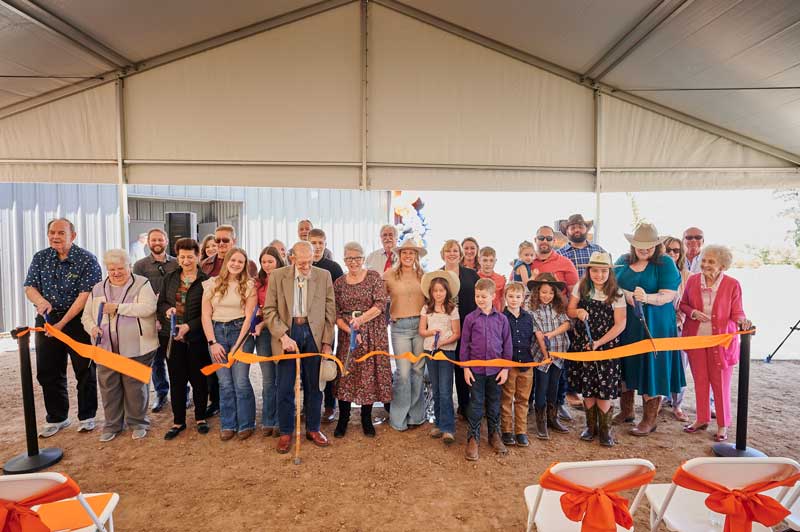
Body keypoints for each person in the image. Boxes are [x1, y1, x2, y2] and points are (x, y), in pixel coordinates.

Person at [24, 218, 101, 438]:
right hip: (47, 320)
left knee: (84, 369)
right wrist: (40, 301)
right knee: (48, 370)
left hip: (76, 320)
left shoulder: (87, 259)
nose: (55, 237)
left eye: (60, 233)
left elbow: (85, 295)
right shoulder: (40, 258)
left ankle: (87, 416)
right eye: (51, 232)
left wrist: (62, 323)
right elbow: (29, 286)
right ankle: (57, 417)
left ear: (73, 236)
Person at [264, 241, 336, 453]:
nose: (306, 267)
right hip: (288, 332)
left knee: (314, 385)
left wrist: (326, 342)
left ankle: (313, 429)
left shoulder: (323, 275)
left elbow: (330, 310)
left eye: (310, 262)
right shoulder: (278, 276)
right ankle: (286, 431)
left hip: (314, 333)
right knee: (285, 386)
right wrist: (282, 336)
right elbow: (269, 310)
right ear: (292, 259)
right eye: (302, 263)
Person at [614, 223, 685, 437]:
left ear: (657, 245)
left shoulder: (665, 264)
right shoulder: (622, 262)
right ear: (632, 245)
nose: (644, 249)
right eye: (639, 245)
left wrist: (647, 298)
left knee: (651, 367)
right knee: (625, 364)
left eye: (649, 246)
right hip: (626, 323)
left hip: (656, 323)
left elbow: (668, 294)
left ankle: (649, 419)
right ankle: (626, 411)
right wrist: (625, 294)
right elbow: (609, 284)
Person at [82, 249, 158, 442]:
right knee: (109, 386)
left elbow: (148, 308)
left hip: (137, 346)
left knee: (135, 387)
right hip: (105, 348)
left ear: (129, 266)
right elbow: (87, 317)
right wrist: (92, 328)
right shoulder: (98, 288)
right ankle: (112, 425)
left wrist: (117, 308)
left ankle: (138, 422)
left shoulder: (142, 283)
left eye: (120, 268)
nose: (116, 273)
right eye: (111, 269)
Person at [680, 245, 750, 442]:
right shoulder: (693, 281)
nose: (705, 265)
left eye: (711, 261)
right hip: (696, 339)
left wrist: (742, 321)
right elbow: (683, 304)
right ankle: (701, 419)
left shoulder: (732, 284)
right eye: (704, 260)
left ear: (722, 265)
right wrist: (693, 313)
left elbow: (737, 312)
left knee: (720, 384)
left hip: (721, 342)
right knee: (700, 380)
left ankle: (722, 424)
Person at [333, 242, 392, 438]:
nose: (354, 262)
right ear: (344, 260)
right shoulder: (339, 283)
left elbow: (380, 303)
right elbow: (336, 314)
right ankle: (343, 418)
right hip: (348, 334)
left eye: (357, 258)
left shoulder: (374, 277)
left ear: (363, 258)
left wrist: (360, 320)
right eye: (349, 258)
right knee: (346, 374)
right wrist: (349, 329)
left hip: (372, 332)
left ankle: (367, 419)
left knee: (369, 374)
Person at [567, 252, 626, 447]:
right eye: (595, 270)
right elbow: (570, 310)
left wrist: (599, 342)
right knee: (588, 386)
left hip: (606, 347)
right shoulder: (581, 287)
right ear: (589, 271)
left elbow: (620, 324)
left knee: (605, 387)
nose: (599, 275)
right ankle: (590, 427)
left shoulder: (616, 293)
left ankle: (605, 430)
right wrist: (578, 312)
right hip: (584, 344)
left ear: (609, 272)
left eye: (603, 271)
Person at [157, 238, 211, 440]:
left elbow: (208, 313)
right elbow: (161, 303)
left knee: (199, 380)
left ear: (198, 257)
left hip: (197, 338)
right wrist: (167, 311)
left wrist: (189, 326)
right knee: (177, 380)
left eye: (190, 256)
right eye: (182, 257)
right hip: (173, 338)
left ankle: (200, 418)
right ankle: (178, 421)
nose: (186, 260)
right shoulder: (170, 278)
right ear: (177, 258)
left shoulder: (206, 281)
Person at [201, 248, 257, 441]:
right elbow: (205, 315)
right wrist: (212, 343)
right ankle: (228, 424)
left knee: (240, 381)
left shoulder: (250, 286)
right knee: (225, 383)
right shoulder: (211, 284)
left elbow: (250, 317)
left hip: (241, 331)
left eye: (240, 262)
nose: (235, 264)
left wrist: (238, 345)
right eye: (233, 260)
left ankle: (246, 423)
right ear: (227, 261)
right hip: (217, 333)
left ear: (244, 265)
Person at [460, 278, 512, 461]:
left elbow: (507, 345)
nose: (480, 299)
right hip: (476, 371)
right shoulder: (470, 319)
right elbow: (464, 345)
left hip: (496, 372)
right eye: (477, 296)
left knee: (494, 402)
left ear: (493, 295)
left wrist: (505, 368)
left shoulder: (502, 319)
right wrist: (466, 368)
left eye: (483, 296)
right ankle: (473, 438)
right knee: (475, 404)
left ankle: (494, 435)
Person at [532, 225, 579, 421]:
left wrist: (570, 318)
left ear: (554, 241)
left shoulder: (565, 262)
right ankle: (536, 408)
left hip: (559, 320)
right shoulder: (526, 261)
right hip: (537, 322)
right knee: (538, 370)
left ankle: (558, 405)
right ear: (536, 240)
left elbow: (574, 291)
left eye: (548, 238)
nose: (545, 241)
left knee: (559, 369)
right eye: (541, 238)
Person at [133, 228, 179, 413]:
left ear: (166, 241)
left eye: (160, 239)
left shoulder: (176, 263)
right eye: (153, 240)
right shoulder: (140, 266)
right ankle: (161, 393)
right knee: (157, 360)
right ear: (148, 242)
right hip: (151, 319)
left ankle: (182, 393)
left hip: (172, 317)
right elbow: (136, 291)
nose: (157, 243)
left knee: (175, 359)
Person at [383, 240, 427, 431]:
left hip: (420, 326)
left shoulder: (424, 275)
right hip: (399, 327)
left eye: (412, 253)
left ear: (416, 256)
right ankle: (398, 417)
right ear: (399, 255)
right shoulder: (389, 275)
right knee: (403, 373)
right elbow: (380, 300)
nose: (408, 256)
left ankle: (415, 416)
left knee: (418, 370)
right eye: (404, 253)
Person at [527, 273, 571, 440]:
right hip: (542, 355)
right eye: (544, 292)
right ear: (537, 292)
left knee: (554, 385)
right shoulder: (532, 310)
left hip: (559, 353)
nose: (547, 296)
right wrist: (546, 355)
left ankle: (552, 418)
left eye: (551, 293)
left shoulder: (558, 308)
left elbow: (567, 323)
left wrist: (552, 334)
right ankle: (540, 420)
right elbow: (538, 334)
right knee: (541, 387)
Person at [419, 270, 460, 445]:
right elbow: (421, 331)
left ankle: (448, 427)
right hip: (430, 351)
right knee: (435, 388)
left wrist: (442, 342)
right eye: (435, 291)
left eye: (441, 290)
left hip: (446, 352)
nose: (438, 294)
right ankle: (438, 423)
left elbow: (457, 333)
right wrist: (431, 333)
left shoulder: (452, 309)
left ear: (447, 291)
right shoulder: (426, 309)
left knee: (445, 389)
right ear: (431, 292)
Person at [441, 239, 480, 421]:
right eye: (448, 251)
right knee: (447, 367)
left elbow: (480, 299)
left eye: (455, 250)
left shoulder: (471, 275)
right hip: (444, 328)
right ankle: (445, 408)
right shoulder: (437, 275)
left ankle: (466, 405)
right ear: (443, 254)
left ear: (460, 253)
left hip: (468, 326)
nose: (452, 253)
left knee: (465, 365)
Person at [308, 228, 344, 423]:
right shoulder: (300, 265)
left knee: (327, 363)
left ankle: (330, 405)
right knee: (307, 365)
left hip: (326, 323)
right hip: (305, 325)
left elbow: (338, 298)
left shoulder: (333, 268)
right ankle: (309, 405)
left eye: (321, 243)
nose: (317, 246)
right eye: (313, 243)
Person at [253, 246, 285, 436]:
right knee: (267, 379)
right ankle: (268, 420)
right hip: (263, 334)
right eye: (263, 262)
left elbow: (281, 310)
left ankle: (282, 420)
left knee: (283, 378)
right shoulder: (257, 283)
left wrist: (264, 320)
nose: (266, 265)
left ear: (278, 261)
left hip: (280, 331)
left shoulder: (285, 280)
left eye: (270, 261)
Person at [500, 282, 534, 447]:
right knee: (506, 398)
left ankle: (521, 431)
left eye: (518, 297)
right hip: (509, 364)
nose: (514, 300)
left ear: (523, 299)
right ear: (505, 297)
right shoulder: (501, 317)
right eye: (510, 296)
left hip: (527, 363)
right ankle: (506, 431)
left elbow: (534, 339)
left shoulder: (528, 317)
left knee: (523, 399)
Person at [663, 236, 691, 422]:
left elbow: (689, 302)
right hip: (660, 327)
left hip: (680, 327)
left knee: (680, 366)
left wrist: (680, 318)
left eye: (676, 250)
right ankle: (659, 401)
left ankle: (677, 405)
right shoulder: (657, 271)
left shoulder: (687, 275)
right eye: (669, 250)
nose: (672, 253)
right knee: (661, 365)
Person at [557, 214, 607, 278]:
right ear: (567, 231)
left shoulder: (599, 251)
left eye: (580, 227)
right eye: (573, 228)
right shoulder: (559, 254)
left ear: (586, 229)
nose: (577, 230)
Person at [477, 246, 506, 312]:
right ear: (479, 260)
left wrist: (502, 315)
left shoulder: (501, 279)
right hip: (478, 317)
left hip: (496, 317)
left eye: (491, 260)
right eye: (485, 260)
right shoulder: (473, 277)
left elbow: (502, 299)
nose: (488, 264)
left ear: (495, 261)